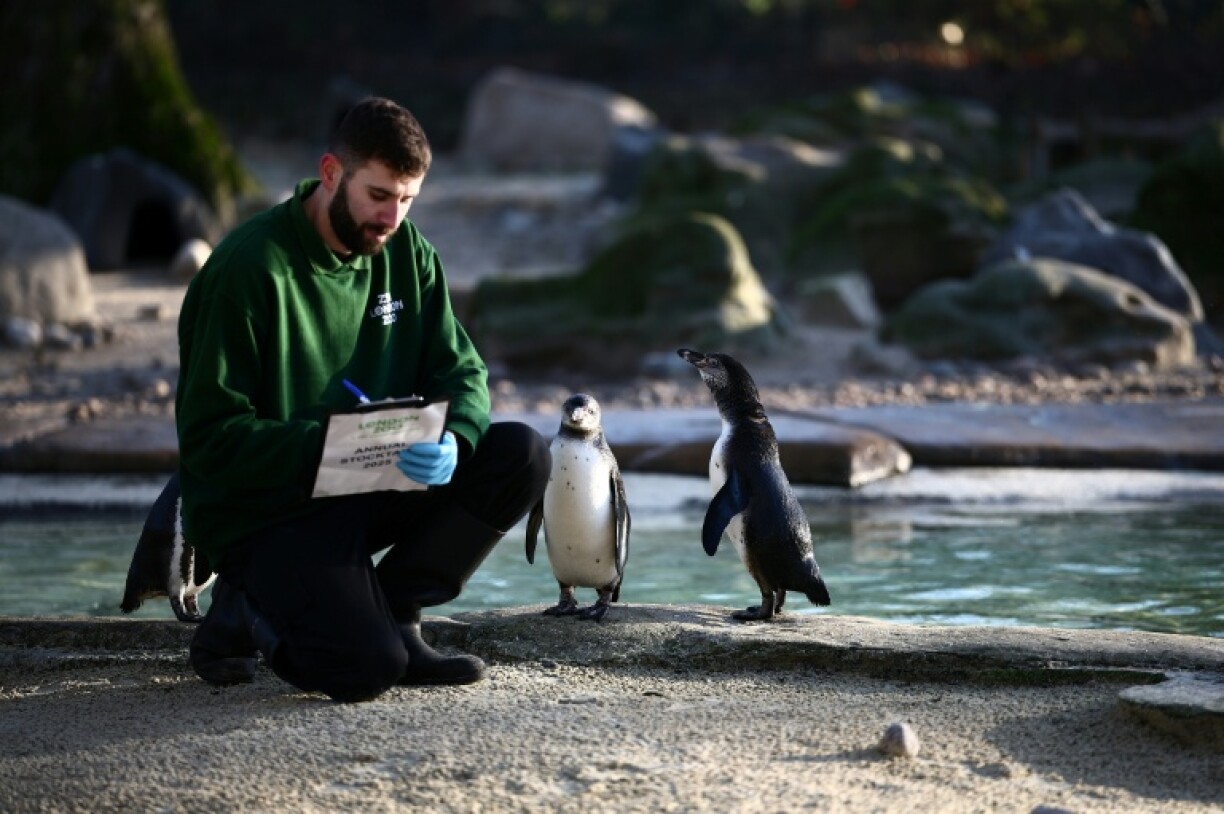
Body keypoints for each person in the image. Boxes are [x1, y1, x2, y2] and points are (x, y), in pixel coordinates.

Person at [176, 97, 551, 702]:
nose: (392, 217)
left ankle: (398, 610)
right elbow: (208, 440)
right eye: (379, 195)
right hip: (271, 509)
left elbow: (462, 370)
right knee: (365, 669)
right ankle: (243, 605)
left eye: (407, 200)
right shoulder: (247, 269)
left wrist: (454, 440)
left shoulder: (407, 251)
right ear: (331, 173)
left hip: (369, 478)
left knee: (521, 455)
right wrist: (333, 446)